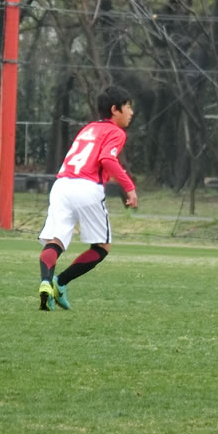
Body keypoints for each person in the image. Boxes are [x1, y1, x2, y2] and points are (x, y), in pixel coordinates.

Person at [37, 84, 138, 311]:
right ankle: (60, 283)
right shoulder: (116, 132)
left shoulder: (88, 129)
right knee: (102, 247)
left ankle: (45, 282)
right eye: (128, 107)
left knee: (55, 241)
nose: (131, 112)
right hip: (87, 187)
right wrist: (129, 187)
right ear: (114, 110)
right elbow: (107, 159)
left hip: (62, 185)